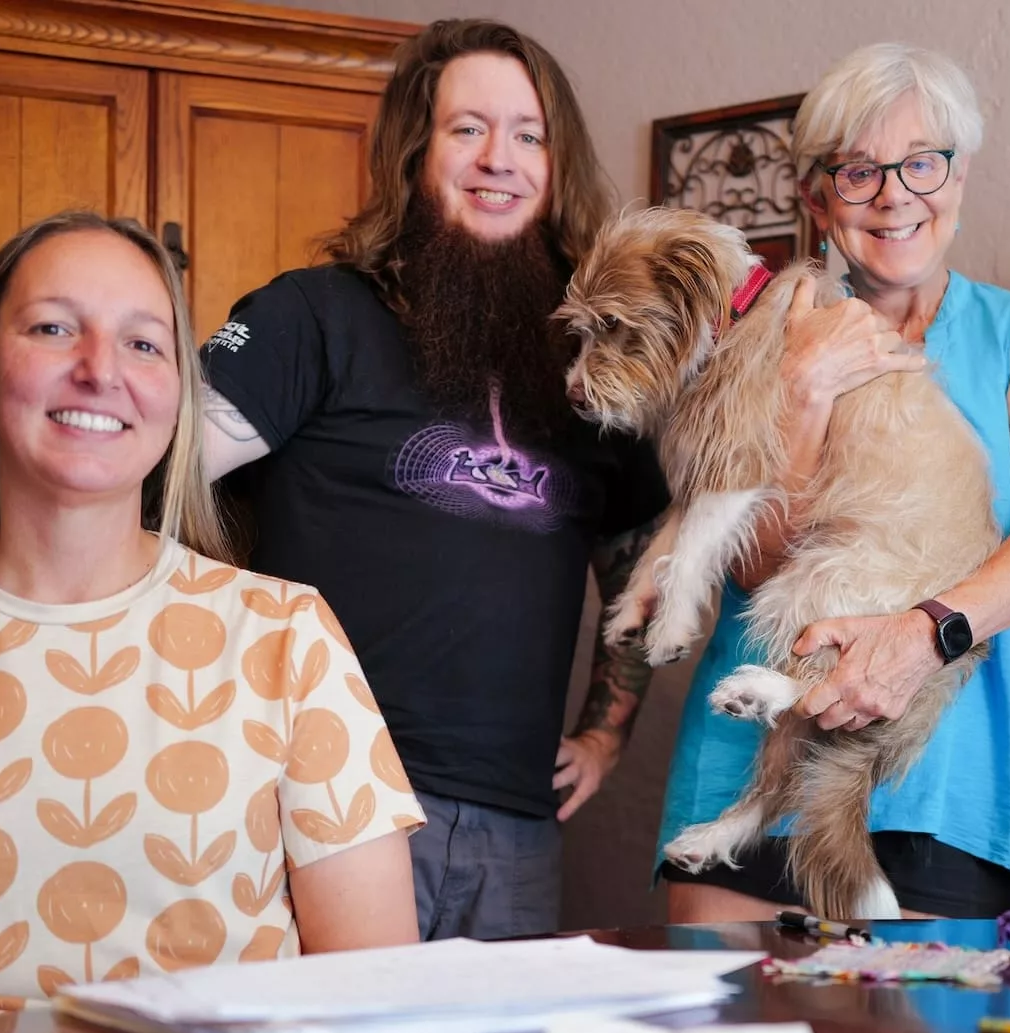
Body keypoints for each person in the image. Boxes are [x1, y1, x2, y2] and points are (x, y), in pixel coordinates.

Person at [0, 213, 423, 1033]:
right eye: (54, 328)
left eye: (144, 344)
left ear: (179, 394)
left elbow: (375, 984)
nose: (100, 370)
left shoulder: (288, 636)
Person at [197, 21, 670, 941]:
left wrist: (608, 731)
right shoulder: (311, 315)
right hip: (323, 810)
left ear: (557, 162)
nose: (501, 159)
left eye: (529, 135)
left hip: (517, 831)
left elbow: (638, 567)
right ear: (417, 150)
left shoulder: (597, 366)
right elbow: (149, 486)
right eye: (469, 129)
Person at [660, 43, 1010, 922]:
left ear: (960, 176)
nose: (895, 194)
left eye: (923, 163)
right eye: (859, 171)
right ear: (819, 198)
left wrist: (920, 635)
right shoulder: (764, 333)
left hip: (952, 793)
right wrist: (804, 387)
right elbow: (753, 566)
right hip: (746, 768)